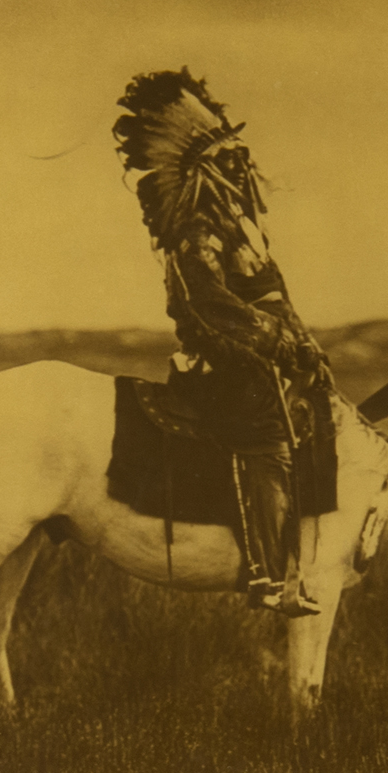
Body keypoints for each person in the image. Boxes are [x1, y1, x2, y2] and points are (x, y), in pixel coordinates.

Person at [113, 68, 332, 616]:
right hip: (222, 364)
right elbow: (204, 304)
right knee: (266, 436)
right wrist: (273, 339)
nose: (243, 165)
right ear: (207, 169)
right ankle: (269, 576)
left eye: (241, 155)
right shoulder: (196, 230)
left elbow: (274, 295)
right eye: (229, 158)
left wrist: (305, 345)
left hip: (260, 356)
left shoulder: (242, 227)